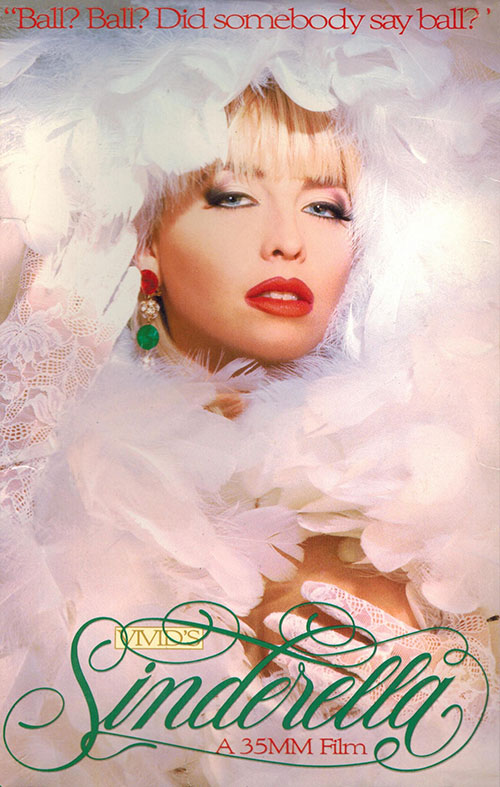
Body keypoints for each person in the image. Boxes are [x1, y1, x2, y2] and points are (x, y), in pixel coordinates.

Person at [0, 14, 498, 787]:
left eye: (326, 207)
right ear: (144, 238)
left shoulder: (436, 485)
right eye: (232, 196)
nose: (287, 241)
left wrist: (454, 665)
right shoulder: (41, 451)